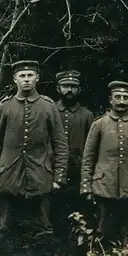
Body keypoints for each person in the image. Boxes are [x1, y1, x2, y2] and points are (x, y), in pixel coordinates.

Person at [0, 60, 68, 256]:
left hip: (40, 175)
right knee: (7, 226)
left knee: (43, 226)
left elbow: (60, 144)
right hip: (8, 175)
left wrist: (58, 177)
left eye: (30, 75)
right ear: (15, 79)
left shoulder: (48, 106)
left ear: (37, 78)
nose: (27, 79)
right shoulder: (5, 107)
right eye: (22, 76)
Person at [80, 81, 128, 247]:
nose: (121, 101)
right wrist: (86, 186)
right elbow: (88, 158)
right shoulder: (99, 124)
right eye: (117, 97)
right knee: (105, 230)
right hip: (104, 186)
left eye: (125, 97)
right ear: (110, 99)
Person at [51, 70, 95, 242]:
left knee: (81, 209)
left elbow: (92, 146)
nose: (69, 90)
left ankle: (80, 246)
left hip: (78, 171)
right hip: (53, 169)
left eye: (73, 87)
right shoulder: (51, 110)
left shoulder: (87, 115)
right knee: (54, 209)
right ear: (58, 88)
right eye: (65, 86)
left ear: (79, 90)